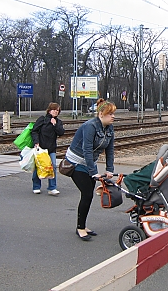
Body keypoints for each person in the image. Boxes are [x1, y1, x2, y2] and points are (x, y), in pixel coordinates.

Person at [65, 98, 116, 241]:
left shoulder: (110, 128)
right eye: (110, 114)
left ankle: (83, 225)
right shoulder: (90, 126)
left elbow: (110, 150)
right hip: (76, 162)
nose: (113, 116)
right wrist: (94, 173)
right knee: (87, 193)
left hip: (90, 163)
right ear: (101, 114)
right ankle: (80, 228)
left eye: (113, 114)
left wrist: (109, 169)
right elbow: (86, 149)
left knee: (88, 195)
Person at [31, 102, 65, 196]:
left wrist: (55, 125)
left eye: (57, 110)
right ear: (49, 110)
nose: (56, 112)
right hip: (41, 148)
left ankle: (52, 187)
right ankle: (36, 186)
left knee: (53, 166)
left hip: (51, 148)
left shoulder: (58, 122)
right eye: (54, 110)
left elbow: (61, 132)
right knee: (39, 166)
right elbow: (34, 131)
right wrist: (36, 142)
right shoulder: (42, 119)